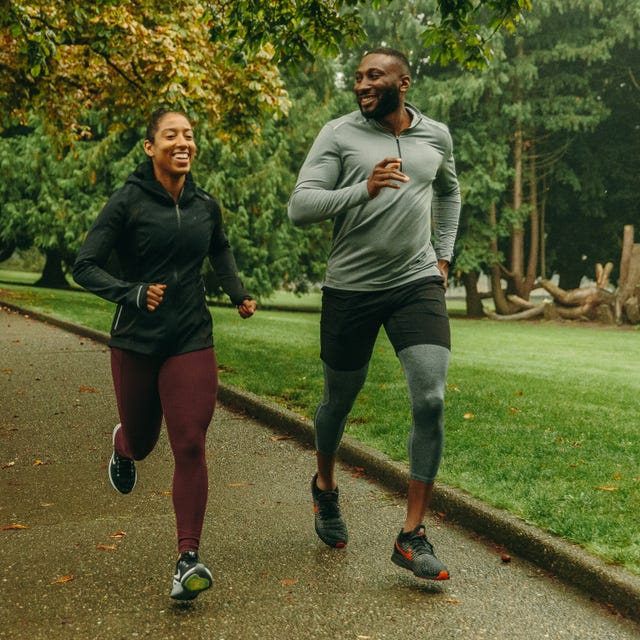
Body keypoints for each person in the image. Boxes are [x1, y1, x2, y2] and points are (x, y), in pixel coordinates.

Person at [288, 48, 460, 580]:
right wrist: (361, 189)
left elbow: (450, 192)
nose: (362, 84)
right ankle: (324, 487)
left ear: (403, 82)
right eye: (359, 76)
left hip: (416, 282)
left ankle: (412, 536)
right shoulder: (338, 134)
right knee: (338, 402)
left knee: (430, 397)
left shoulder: (436, 136)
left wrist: (444, 254)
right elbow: (300, 206)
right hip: (352, 288)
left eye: (373, 76)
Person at [73, 108, 257, 600]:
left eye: (189, 135)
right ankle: (123, 444)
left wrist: (236, 292)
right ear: (150, 147)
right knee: (144, 440)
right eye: (171, 135)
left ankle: (187, 560)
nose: (183, 142)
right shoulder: (127, 202)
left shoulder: (205, 204)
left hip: (190, 335)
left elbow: (219, 249)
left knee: (191, 442)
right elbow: (84, 266)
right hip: (136, 338)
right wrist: (130, 292)